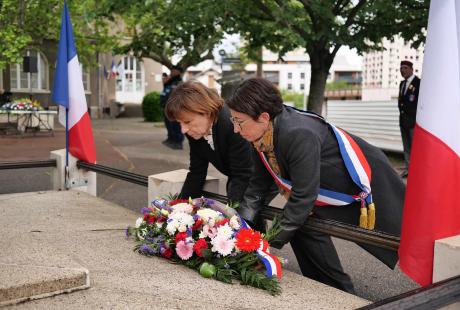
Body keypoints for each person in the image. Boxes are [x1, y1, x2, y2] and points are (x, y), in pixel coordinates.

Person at [226, 78, 405, 293]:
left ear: (263, 117)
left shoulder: (298, 133)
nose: (235, 129)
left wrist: (267, 242)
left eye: (239, 121)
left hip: (365, 181)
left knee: (403, 232)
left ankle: (342, 295)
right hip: (318, 189)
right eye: (232, 121)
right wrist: (241, 228)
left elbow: (303, 196)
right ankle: (321, 290)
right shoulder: (261, 135)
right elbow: (258, 185)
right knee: (300, 228)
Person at [165, 80, 253, 203]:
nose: (183, 130)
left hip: (266, 175)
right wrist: (180, 208)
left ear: (206, 111)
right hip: (238, 176)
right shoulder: (195, 132)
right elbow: (197, 172)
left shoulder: (232, 124)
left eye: (187, 122)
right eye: (179, 122)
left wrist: (232, 215)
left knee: (250, 214)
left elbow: (242, 175)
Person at [398, 60, 421, 178]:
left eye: (405, 68)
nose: (403, 70)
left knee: (415, 147)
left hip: (413, 121)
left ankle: (417, 171)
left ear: (412, 69)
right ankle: (408, 169)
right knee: (406, 147)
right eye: (401, 68)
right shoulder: (402, 84)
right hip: (403, 121)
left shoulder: (419, 83)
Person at [160, 66, 185, 150]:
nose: (172, 72)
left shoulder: (179, 82)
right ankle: (171, 139)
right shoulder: (170, 81)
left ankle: (178, 142)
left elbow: (178, 95)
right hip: (167, 107)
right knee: (169, 125)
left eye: (174, 71)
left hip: (175, 107)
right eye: (171, 70)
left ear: (178, 72)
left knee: (176, 125)